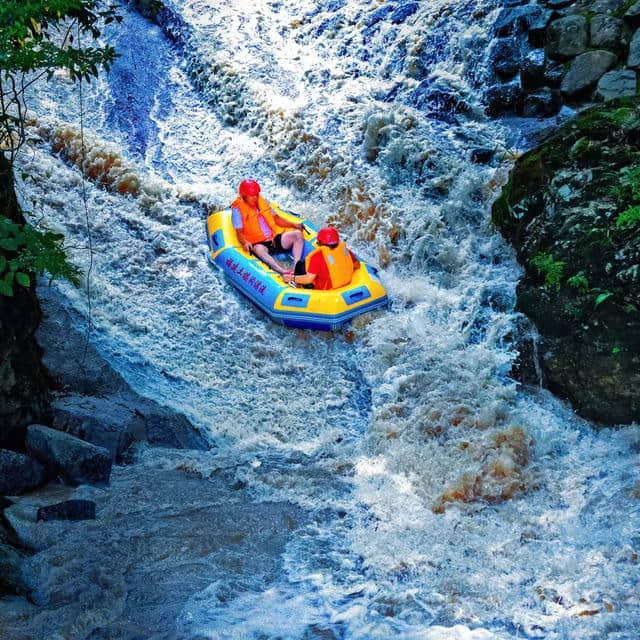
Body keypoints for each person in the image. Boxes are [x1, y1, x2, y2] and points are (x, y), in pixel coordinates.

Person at [231, 179, 305, 276]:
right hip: (259, 243)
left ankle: (296, 267)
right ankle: (282, 271)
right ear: (244, 196)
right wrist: (245, 243)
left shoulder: (262, 203)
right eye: (251, 195)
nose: (255, 197)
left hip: (273, 239)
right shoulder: (238, 210)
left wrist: (294, 225)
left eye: (256, 194)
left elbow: (277, 219)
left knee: (298, 234)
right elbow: (239, 232)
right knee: (258, 249)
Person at [289, 227, 360, 290]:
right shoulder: (345, 250)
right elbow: (357, 265)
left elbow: (308, 279)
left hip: (325, 291)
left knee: (300, 265)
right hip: (345, 283)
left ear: (320, 242)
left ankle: (297, 286)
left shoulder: (317, 256)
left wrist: (291, 278)